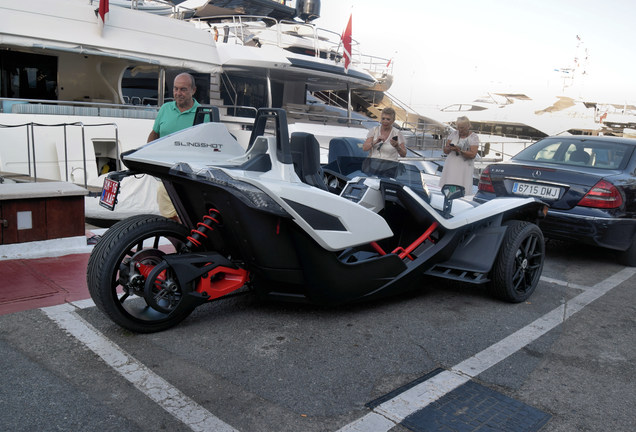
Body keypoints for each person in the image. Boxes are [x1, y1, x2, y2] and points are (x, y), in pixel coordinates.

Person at [147, 72, 200, 221]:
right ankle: (179, 236)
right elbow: (154, 134)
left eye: (183, 89)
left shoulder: (203, 113)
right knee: (167, 205)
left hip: (190, 172)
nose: (178, 93)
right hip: (165, 168)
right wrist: (147, 155)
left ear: (193, 90)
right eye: (176, 89)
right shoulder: (165, 108)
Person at [438, 116, 479, 194]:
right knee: (449, 182)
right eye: (458, 128)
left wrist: (459, 150)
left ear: (468, 126)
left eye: (462, 128)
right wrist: (449, 148)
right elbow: (445, 150)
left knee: (461, 183)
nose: (460, 130)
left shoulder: (474, 137)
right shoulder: (454, 134)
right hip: (451, 164)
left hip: (464, 166)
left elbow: (473, 154)